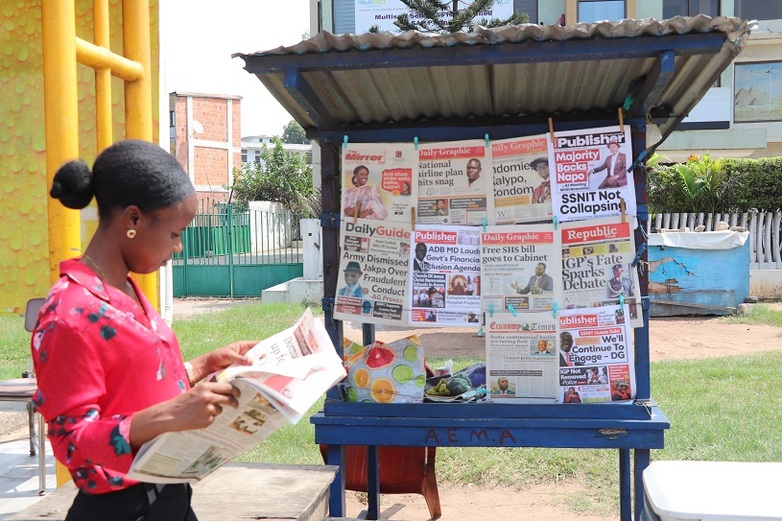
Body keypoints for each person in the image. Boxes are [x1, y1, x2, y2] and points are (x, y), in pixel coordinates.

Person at [33, 139, 257, 521]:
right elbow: (71, 442)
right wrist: (169, 416)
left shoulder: (124, 286)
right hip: (119, 509)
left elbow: (130, 386)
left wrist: (202, 366)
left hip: (168, 494)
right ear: (133, 220)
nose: (179, 247)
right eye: (174, 234)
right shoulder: (69, 313)